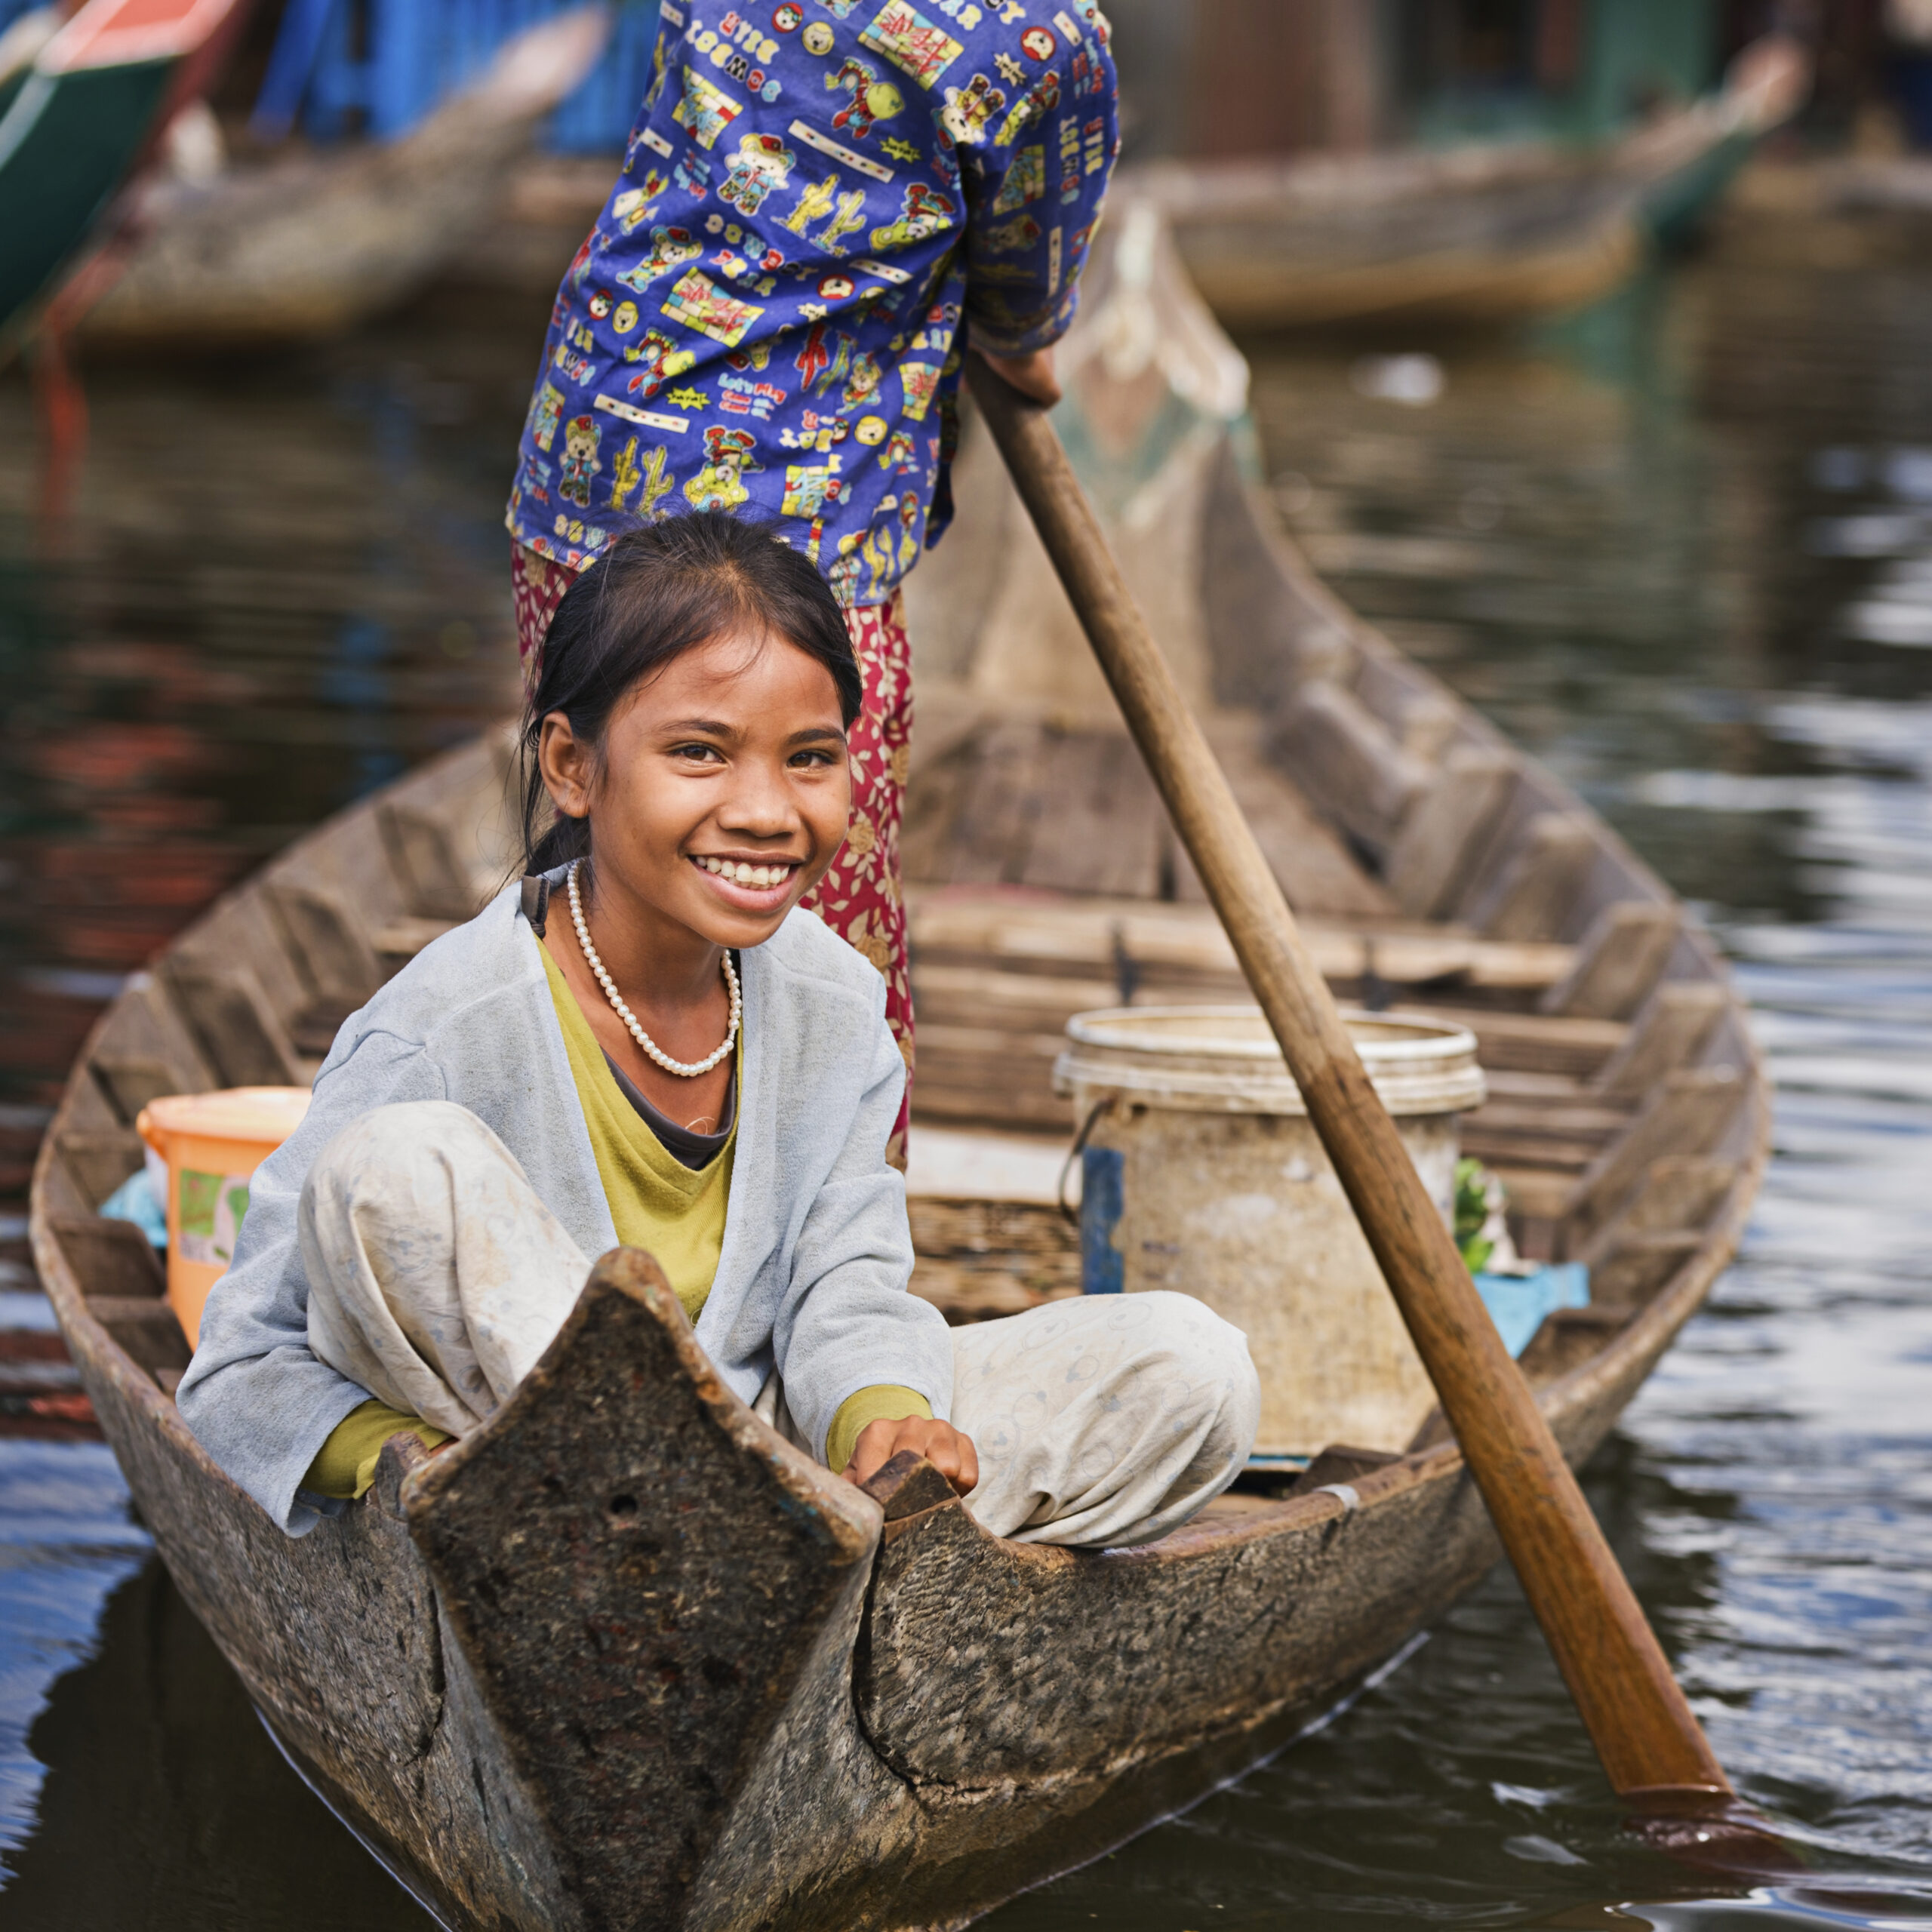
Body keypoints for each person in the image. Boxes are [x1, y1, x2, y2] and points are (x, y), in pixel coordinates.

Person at [177, 514, 1257, 1547]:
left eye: (810, 758)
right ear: (572, 767)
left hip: (779, 1470)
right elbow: (240, 1374)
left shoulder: (836, 1004)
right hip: (538, 1491)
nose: (766, 810)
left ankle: (783, 1539)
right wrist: (424, 1469)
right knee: (395, 1170)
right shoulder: (443, 1028)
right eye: (700, 753)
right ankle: (681, 1520)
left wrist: (883, 1424)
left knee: (1195, 1373)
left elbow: (848, 1289)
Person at [506, 0, 1121, 1161]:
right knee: (808, 927)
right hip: (797, 537)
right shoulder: (1047, 40)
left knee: (603, 869)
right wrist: (996, 322)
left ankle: (598, 1208)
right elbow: (1023, 320)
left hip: (592, 456)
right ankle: (819, 1269)